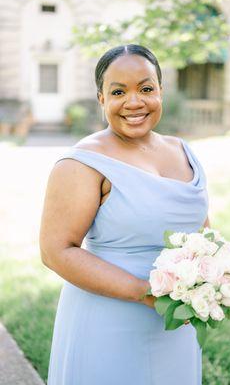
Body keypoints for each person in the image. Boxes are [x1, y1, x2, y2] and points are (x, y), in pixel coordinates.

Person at [39, 44, 209, 385]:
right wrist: (146, 292)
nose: (134, 102)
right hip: (108, 322)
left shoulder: (183, 151)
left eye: (146, 88)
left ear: (161, 91)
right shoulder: (81, 163)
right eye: (119, 92)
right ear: (102, 99)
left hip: (176, 323)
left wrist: (214, 280)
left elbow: (203, 233)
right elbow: (56, 251)